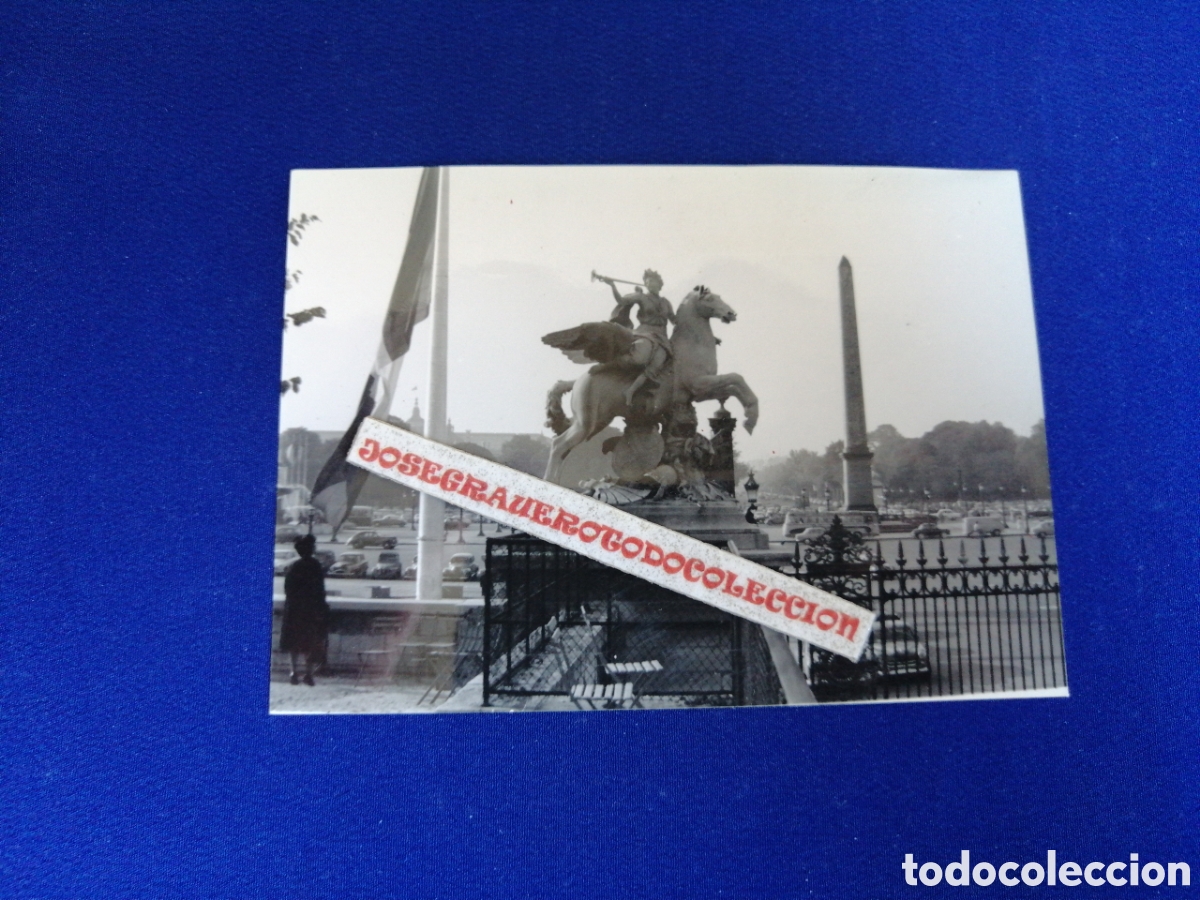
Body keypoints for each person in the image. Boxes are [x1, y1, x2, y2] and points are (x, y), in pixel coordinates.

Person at [596, 269, 675, 405]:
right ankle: (610, 363)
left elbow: (675, 320)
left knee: (657, 364)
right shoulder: (641, 297)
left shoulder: (666, 302)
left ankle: (631, 390)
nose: (650, 284)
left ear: (659, 284)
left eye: (653, 281)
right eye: (647, 282)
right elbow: (621, 300)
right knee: (640, 358)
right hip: (645, 334)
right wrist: (613, 286)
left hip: (662, 339)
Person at [279, 534, 329, 686]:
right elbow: (320, 591)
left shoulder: (294, 567)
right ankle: (308, 673)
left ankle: (294, 672)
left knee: (293, 642)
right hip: (311, 610)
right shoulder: (315, 566)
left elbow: (288, 589)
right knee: (310, 643)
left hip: (295, 610)